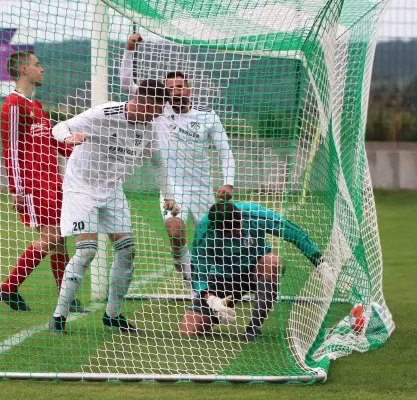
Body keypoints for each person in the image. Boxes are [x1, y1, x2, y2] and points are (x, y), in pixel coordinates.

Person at [49, 79, 179, 333]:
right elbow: (59, 126)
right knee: (87, 251)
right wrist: (69, 137)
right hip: (81, 187)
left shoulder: (149, 128)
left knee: (127, 249)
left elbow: (157, 163)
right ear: (143, 102)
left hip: (112, 189)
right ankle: (59, 316)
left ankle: (112, 315)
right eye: (157, 108)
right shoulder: (104, 113)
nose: (159, 114)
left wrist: (169, 195)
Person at [120, 33, 236, 289]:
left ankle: (216, 282)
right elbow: (127, 83)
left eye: (180, 86)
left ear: (189, 89)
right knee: (175, 229)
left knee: (216, 242)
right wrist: (129, 50)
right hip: (173, 189)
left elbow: (225, 151)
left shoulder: (207, 116)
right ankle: (186, 271)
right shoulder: (158, 112)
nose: (176, 91)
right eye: (170, 88)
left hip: (202, 188)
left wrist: (228, 183)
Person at [0, 50, 86, 313]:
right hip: (34, 185)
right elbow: (10, 148)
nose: (42, 69)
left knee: (60, 239)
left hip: (52, 182)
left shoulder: (36, 106)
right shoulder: (14, 104)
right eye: (37, 65)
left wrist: (79, 151)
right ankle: (8, 287)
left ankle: (66, 298)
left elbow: (51, 143)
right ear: (24, 70)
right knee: (52, 237)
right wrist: (17, 190)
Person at [179, 201, 337, 342]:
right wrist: (213, 301)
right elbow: (198, 276)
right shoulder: (205, 233)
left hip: (256, 270)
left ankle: (253, 328)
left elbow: (294, 233)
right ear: (217, 228)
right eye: (230, 232)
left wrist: (321, 265)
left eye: (238, 226)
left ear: (240, 216)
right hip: (224, 278)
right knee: (188, 330)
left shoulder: (254, 214)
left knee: (273, 262)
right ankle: (216, 312)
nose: (238, 233)